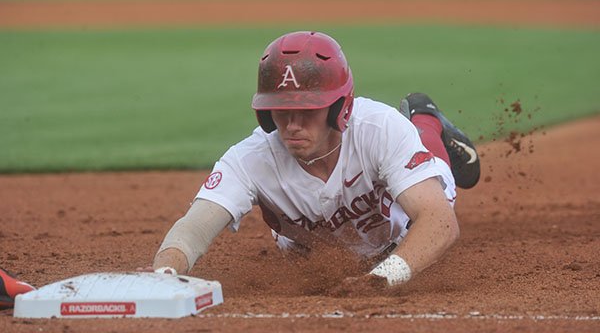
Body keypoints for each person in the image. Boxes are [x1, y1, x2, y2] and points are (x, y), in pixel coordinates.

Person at [151, 31, 480, 286]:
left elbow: (440, 223)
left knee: (436, 171)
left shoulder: (378, 128)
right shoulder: (250, 159)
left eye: (307, 110)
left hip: (399, 233)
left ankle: (425, 116)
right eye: (280, 111)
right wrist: (165, 273)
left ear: (339, 108)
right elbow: (193, 230)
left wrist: (383, 279)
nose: (292, 125)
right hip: (316, 251)